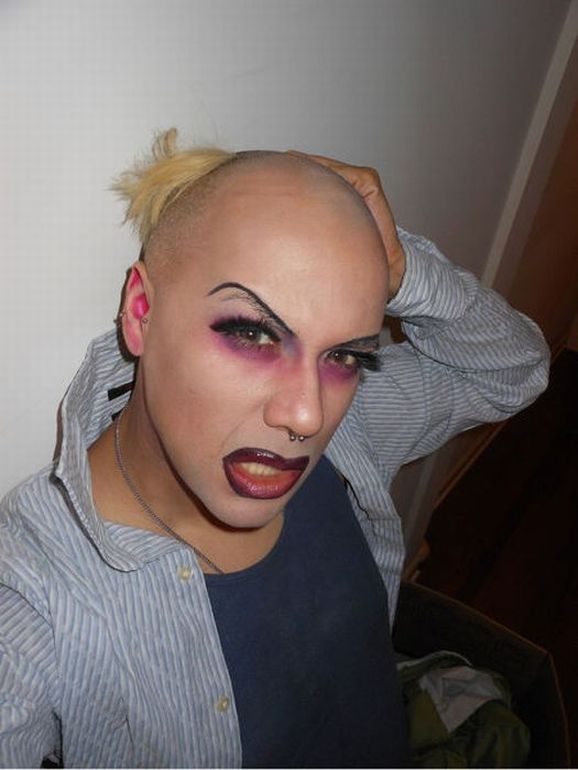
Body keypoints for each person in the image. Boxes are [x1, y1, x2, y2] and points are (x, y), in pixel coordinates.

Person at [0, 129, 549, 768]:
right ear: (142, 310)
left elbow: (513, 371)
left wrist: (402, 271)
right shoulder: (32, 600)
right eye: (253, 334)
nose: (307, 416)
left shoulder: (349, 428)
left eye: (346, 354)